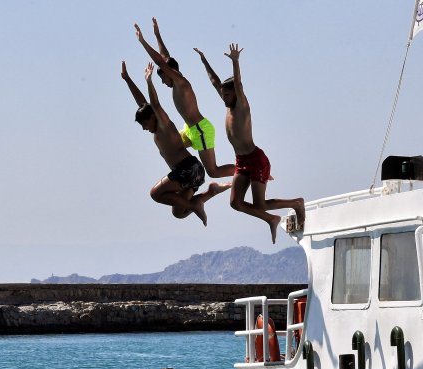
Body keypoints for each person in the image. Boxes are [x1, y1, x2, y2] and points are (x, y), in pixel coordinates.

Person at [195, 43, 305, 243]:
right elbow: (214, 81)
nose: (223, 98)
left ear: (236, 93)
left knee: (259, 204)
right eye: (223, 94)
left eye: (227, 94)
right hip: (241, 160)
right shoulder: (228, 104)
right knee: (235, 203)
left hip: (255, 159)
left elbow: (238, 83)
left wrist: (236, 62)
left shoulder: (242, 105)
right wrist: (204, 61)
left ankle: (296, 203)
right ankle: (271, 219)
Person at [121, 61, 229, 226]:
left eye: (144, 124)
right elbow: (142, 103)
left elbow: (154, 104)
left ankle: (194, 204)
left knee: (155, 194)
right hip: (192, 174)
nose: (144, 129)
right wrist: (127, 79)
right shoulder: (155, 126)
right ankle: (211, 192)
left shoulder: (164, 125)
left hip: (188, 170)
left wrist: (149, 81)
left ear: (151, 118)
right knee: (178, 212)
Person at [134, 18, 235, 181]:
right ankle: (184, 181)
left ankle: (245, 170)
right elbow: (165, 57)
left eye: (163, 78)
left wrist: (143, 41)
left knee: (213, 172)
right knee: (169, 146)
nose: (163, 82)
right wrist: (157, 35)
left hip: (200, 129)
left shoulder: (181, 83)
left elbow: (161, 61)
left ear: (170, 72)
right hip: (190, 130)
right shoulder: (175, 81)